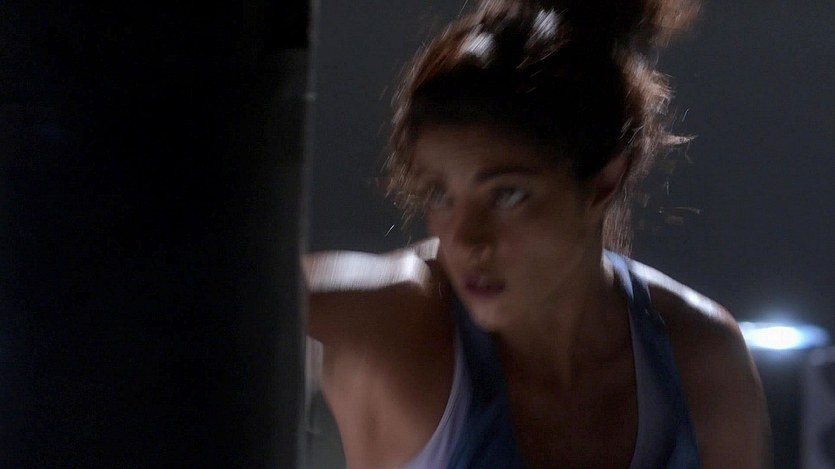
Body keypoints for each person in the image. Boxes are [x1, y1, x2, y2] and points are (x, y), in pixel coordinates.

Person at [305, 0, 772, 467]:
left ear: (603, 185)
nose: (465, 240)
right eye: (440, 194)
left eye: (506, 195)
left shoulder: (700, 356)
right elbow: (267, 284)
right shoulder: (398, 319)